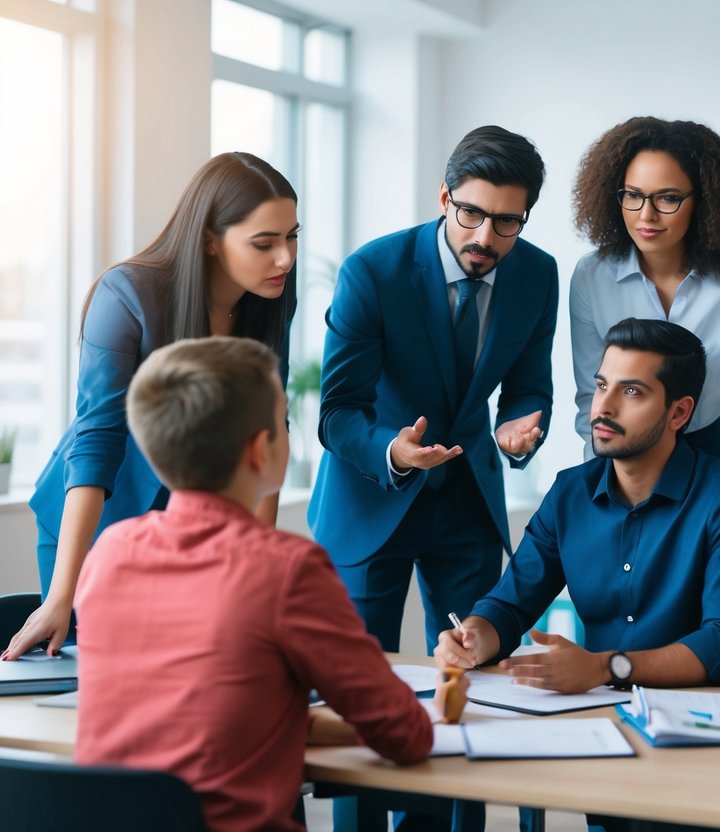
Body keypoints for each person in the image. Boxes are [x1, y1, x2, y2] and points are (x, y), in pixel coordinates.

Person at [74, 336, 463, 832]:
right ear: (260, 451)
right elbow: (404, 734)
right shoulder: (287, 569)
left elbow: (185, 715)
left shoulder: (109, 553)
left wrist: (288, 721)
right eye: (284, 422)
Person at [5, 152, 299, 660]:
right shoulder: (128, 294)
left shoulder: (271, 299)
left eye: (292, 236)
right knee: (99, 681)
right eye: (264, 243)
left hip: (193, 529)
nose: (285, 259)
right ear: (210, 238)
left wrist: (258, 567)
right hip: (96, 522)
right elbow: (98, 438)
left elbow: (269, 428)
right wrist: (61, 594)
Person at [307, 125, 557, 655]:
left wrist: (520, 426)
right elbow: (337, 412)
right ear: (445, 198)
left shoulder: (537, 274)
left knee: (473, 665)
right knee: (354, 673)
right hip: (372, 495)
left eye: (507, 221)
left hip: (467, 500)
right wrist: (393, 451)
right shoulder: (373, 272)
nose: (486, 237)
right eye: (471, 213)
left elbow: (529, 386)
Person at [436, 318, 720, 693]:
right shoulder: (570, 493)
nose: (604, 407)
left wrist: (605, 667)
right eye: (602, 385)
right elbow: (510, 605)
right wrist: (474, 636)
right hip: (597, 715)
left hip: (700, 720)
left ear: (678, 413)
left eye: (631, 391)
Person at [570, 116, 720, 493]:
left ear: (705, 201)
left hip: (710, 450)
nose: (646, 215)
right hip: (622, 456)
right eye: (632, 195)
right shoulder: (591, 275)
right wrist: (599, 476)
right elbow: (592, 392)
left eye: (668, 198)